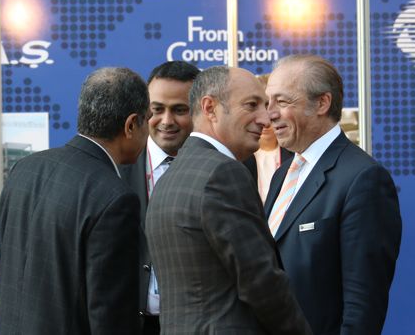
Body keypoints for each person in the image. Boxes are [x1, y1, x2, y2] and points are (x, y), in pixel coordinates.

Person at [145, 66, 312, 335]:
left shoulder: (171, 176)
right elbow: (261, 281)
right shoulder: (223, 173)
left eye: (265, 106)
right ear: (210, 108)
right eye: (251, 105)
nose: (265, 119)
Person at [0, 67, 150, 335]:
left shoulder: (25, 169)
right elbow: (110, 314)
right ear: (131, 124)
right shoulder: (115, 197)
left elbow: (2, 277)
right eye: (148, 120)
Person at [264, 54, 402, 335]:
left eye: (282, 101)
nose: (270, 114)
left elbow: (363, 306)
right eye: (268, 102)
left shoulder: (363, 179)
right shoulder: (283, 174)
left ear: (322, 103)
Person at [120, 61, 199, 335]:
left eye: (179, 110)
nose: (166, 121)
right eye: (157, 110)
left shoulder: (229, 167)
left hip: (198, 325)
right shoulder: (117, 167)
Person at [243, 74, 293, 203]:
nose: (266, 120)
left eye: (272, 108)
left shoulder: (295, 155)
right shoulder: (239, 157)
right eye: (254, 107)